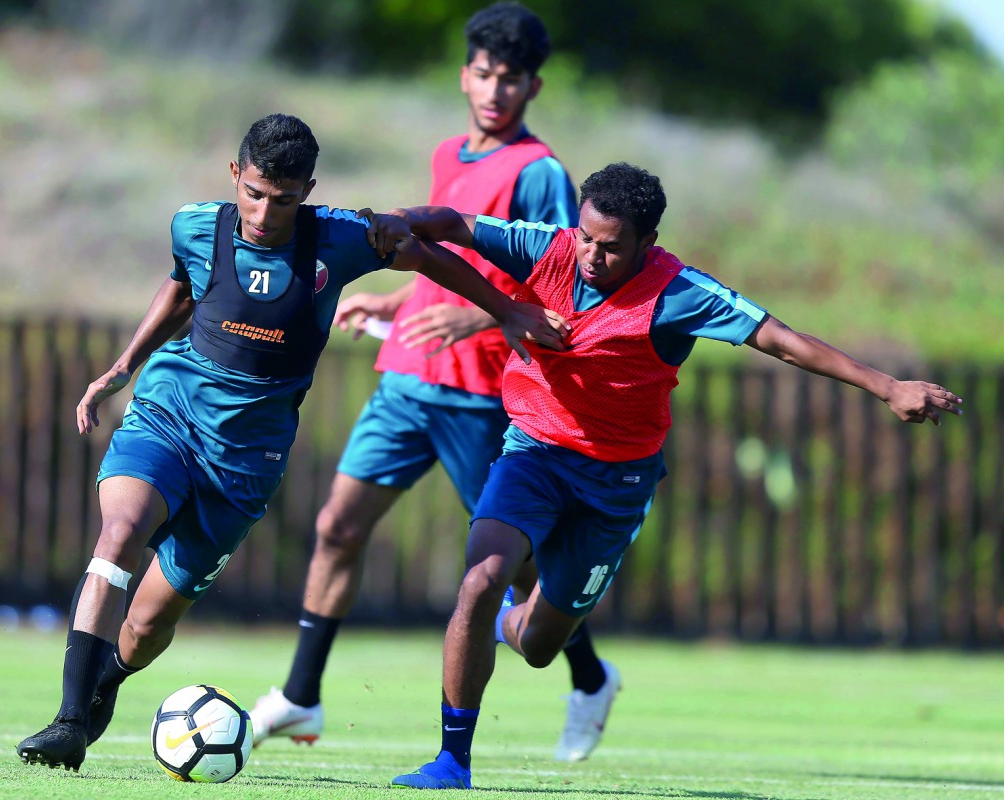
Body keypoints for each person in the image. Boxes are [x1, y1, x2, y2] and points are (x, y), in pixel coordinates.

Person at [363, 161, 963, 789]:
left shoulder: (680, 292)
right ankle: (452, 760)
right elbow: (452, 224)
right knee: (479, 578)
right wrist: (398, 220)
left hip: (615, 487)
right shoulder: (550, 248)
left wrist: (888, 385)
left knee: (538, 646)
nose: (591, 255)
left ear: (647, 242)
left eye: (611, 246)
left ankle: (512, 613)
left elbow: (781, 340)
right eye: (587, 237)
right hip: (534, 452)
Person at [14, 113, 567, 773]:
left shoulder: (339, 240)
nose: (263, 212)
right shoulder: (196, 224)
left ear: (307, 189)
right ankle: (70, 721)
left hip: (245, 461)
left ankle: (105, 684)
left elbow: (427, 256)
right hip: (170, 411)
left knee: (147, 625)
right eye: (252, 192)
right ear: (234, 176)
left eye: (281, 198)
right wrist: (123, 368)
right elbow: (182, 287)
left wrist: (504, 309)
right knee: (121, 531)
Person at [250, 2, 617, 763]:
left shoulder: (541, 171)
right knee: (337, 527)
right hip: (407, 378)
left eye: (510, 80)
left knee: (511, 566)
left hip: (482, 392)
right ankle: (300, 696)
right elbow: (444, 263)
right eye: (483, 75)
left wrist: (475, 324)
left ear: (533, 87)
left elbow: (559, 285)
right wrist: (395, 301)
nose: (494, 91)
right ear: (465, 75)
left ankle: (589, 677)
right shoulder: (451, 152)